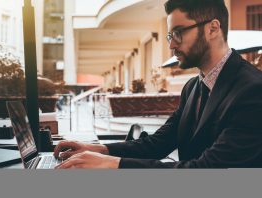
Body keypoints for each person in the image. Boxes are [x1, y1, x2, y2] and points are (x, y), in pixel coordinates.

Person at [54, 0, 262, 168]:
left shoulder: (252, 90)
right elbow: (158, 143)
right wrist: (99, 150)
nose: (171, 44)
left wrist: (113, 164)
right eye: (170, 35)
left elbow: (207, 169)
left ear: (213, 28)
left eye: (179, 33)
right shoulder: (192, 87)